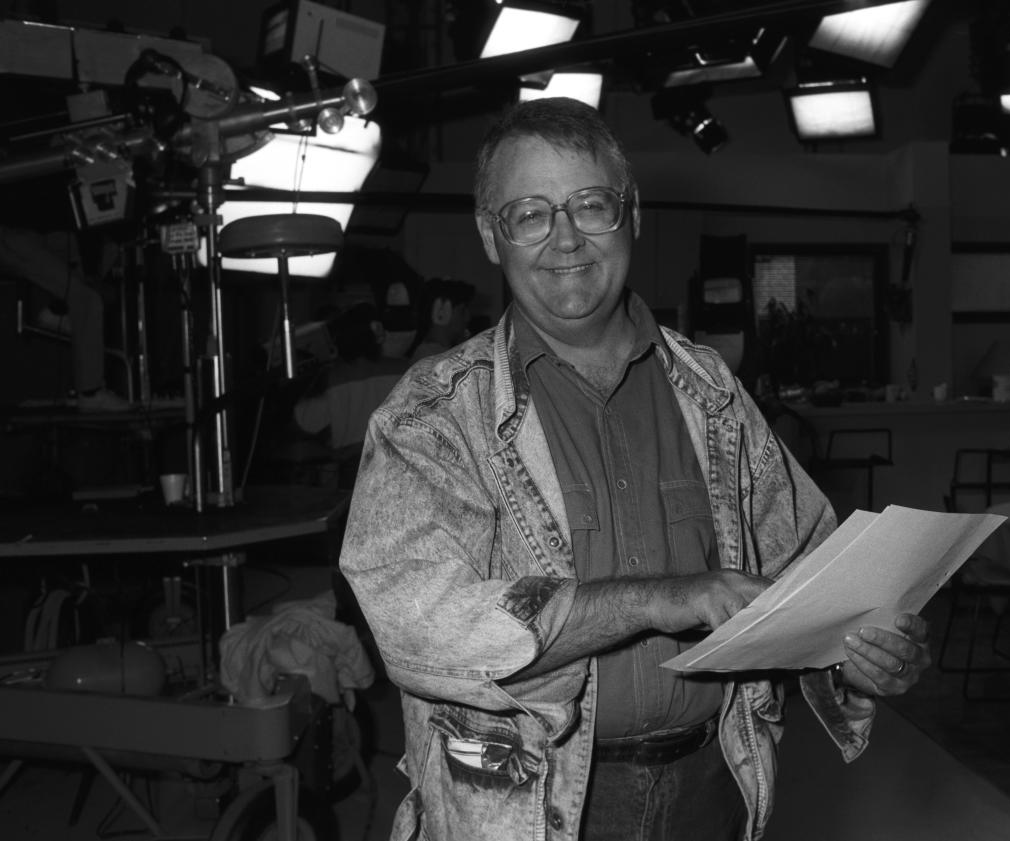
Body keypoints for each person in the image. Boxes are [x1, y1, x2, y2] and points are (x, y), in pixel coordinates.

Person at [338, 97, 931, 841]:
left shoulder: (711, 390)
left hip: (711, 787)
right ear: (492, 236)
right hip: (524, 804)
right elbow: (419, 621)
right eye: (530, 213)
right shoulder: (432, 414)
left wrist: (858, 650)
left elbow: (804, 566)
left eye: (591, 205)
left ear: (632, 216)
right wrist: (665, 597)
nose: (565, 239)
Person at [0, 224, 130, 411]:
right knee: (88, 300)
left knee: (109, 247)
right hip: (14, 234)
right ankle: (90, 393)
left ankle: (57, 311)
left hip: (40, 232)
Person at [292, 301, 407, 485]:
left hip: (352, 482)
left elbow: (303, 422)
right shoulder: (404, 371)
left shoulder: (333, 377)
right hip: (396, 477)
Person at [408, 275, 475, 361]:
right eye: (462, 310)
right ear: (442, 312)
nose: (468, 317)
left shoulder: (433, 352)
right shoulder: (431, 356)